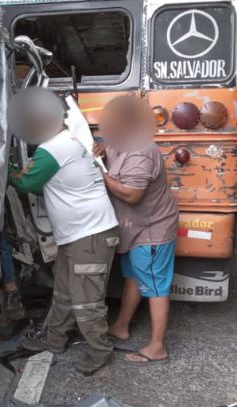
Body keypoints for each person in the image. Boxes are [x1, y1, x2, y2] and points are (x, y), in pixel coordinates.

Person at [7, 87, 120, 375]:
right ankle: (54, 340)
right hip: (79, 233)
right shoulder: (70, 138)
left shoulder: (53, 148)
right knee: (64, 292)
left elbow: (26, 183)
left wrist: (4, 168)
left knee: (86, 301)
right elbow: (52, 186)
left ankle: (100, 351)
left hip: (89, 235)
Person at [94, 96, 178, 366]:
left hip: (152, 229)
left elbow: (132, 195)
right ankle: (121, 326)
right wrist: (101, 153)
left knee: (155, 286)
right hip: (134, 229)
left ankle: (157, 346)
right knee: (133, 276)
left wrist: (102, 176)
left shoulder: (141, 151)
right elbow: (111, 155)